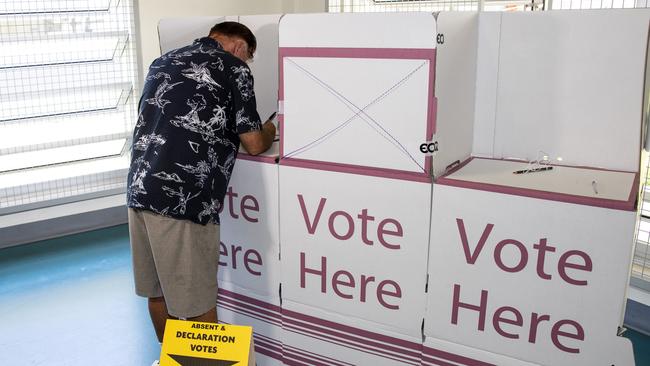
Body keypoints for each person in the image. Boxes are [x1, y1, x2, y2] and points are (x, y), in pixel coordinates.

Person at [125, 21, 276, 357]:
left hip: (139, 188)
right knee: (197, 303)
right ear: (239, 47)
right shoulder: (233, 67)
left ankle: (171, 361)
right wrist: (271, 126)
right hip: (183, 199)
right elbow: (253, 142)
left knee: (158, 290)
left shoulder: (162, 61)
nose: (246, 63)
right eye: (249, 57)